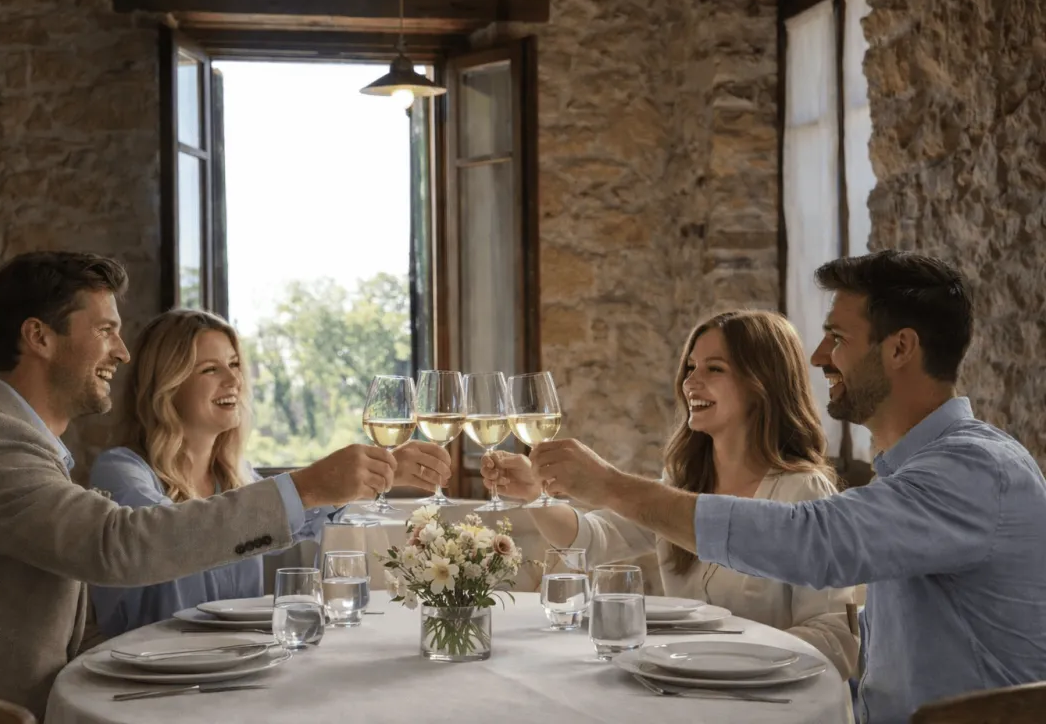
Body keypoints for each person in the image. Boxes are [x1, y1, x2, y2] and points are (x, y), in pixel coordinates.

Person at [526, 251, 1046, 724]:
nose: (819, 356)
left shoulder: (975, 470)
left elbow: (813, 541)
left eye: (838, 338)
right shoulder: (918, 474)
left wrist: (611, 485)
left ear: (900, 348)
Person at [0, 252, 401, 717]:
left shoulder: (19, 444)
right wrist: (304, 487)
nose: (123, 352)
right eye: (105, 330)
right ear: (39, 337)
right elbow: (117, 545)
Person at [484, 310, 859, 680]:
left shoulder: (803, 490)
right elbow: (593, 539)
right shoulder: (682, 480)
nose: (690, 382)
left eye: (714, 369)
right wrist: (535, 495)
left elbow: (834, 636)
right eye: (691, 367)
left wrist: (743, 662)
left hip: (768, 703)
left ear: (762, 383)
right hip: (685, 684)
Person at [88, 308, 451, 635]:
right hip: (150, 676)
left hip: (235, 664)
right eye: (210, 369)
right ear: (167, 385)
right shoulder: (120, 472)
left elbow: (299, 516)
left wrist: (375, 475)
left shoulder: (235, 476)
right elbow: (169, 534)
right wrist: (312, 482)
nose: (233, 381)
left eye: (234, 365)